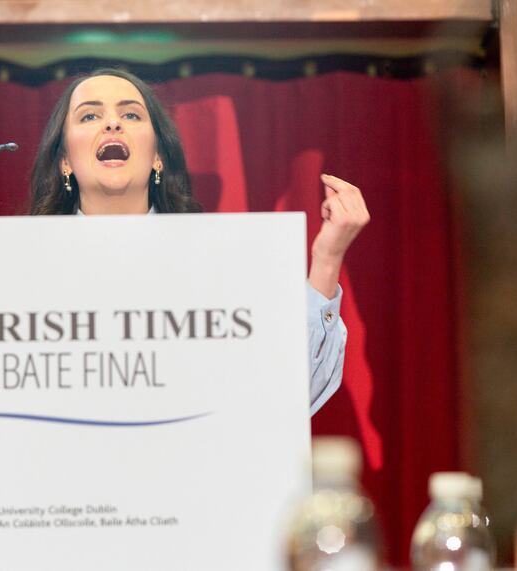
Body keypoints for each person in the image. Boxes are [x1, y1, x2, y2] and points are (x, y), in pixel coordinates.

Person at [30, 68, 369, 415]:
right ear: (64, 161)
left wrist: (327, 258)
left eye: (131, 114)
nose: (113, 124)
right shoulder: (24, 269)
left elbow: (287, 398)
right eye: (90, 115)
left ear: (158, 156)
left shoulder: (220, 264)